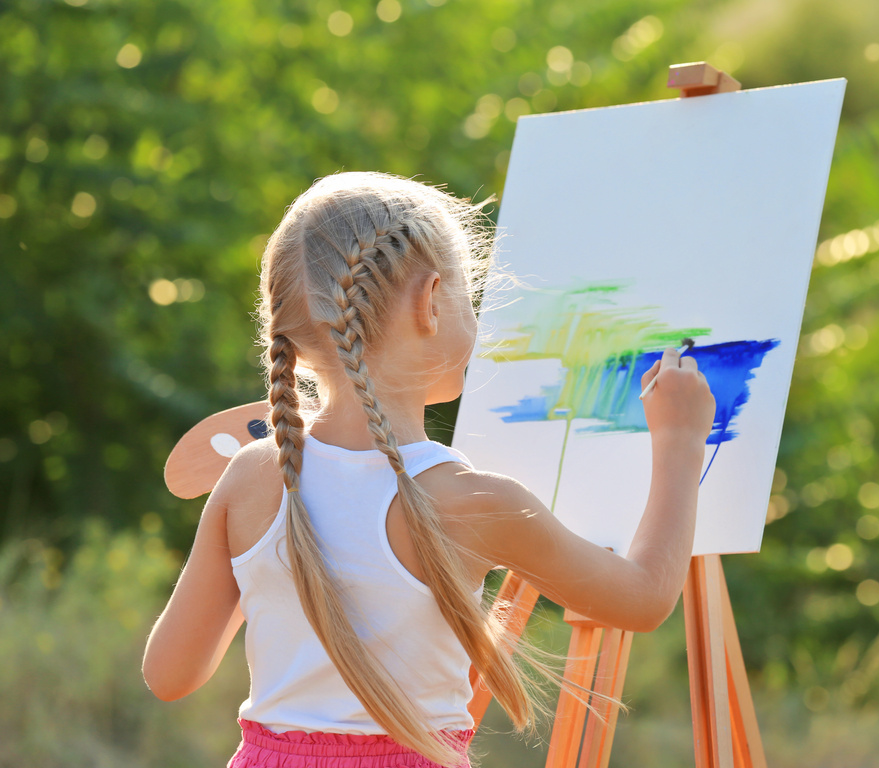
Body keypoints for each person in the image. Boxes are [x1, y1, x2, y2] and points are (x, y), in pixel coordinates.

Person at [142, 171, 715, 768]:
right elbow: (644, 599)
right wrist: (679, 438)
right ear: (431, 300)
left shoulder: (250, 475)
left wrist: (267, 565)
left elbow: (168, 674)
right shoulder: (473, 501)